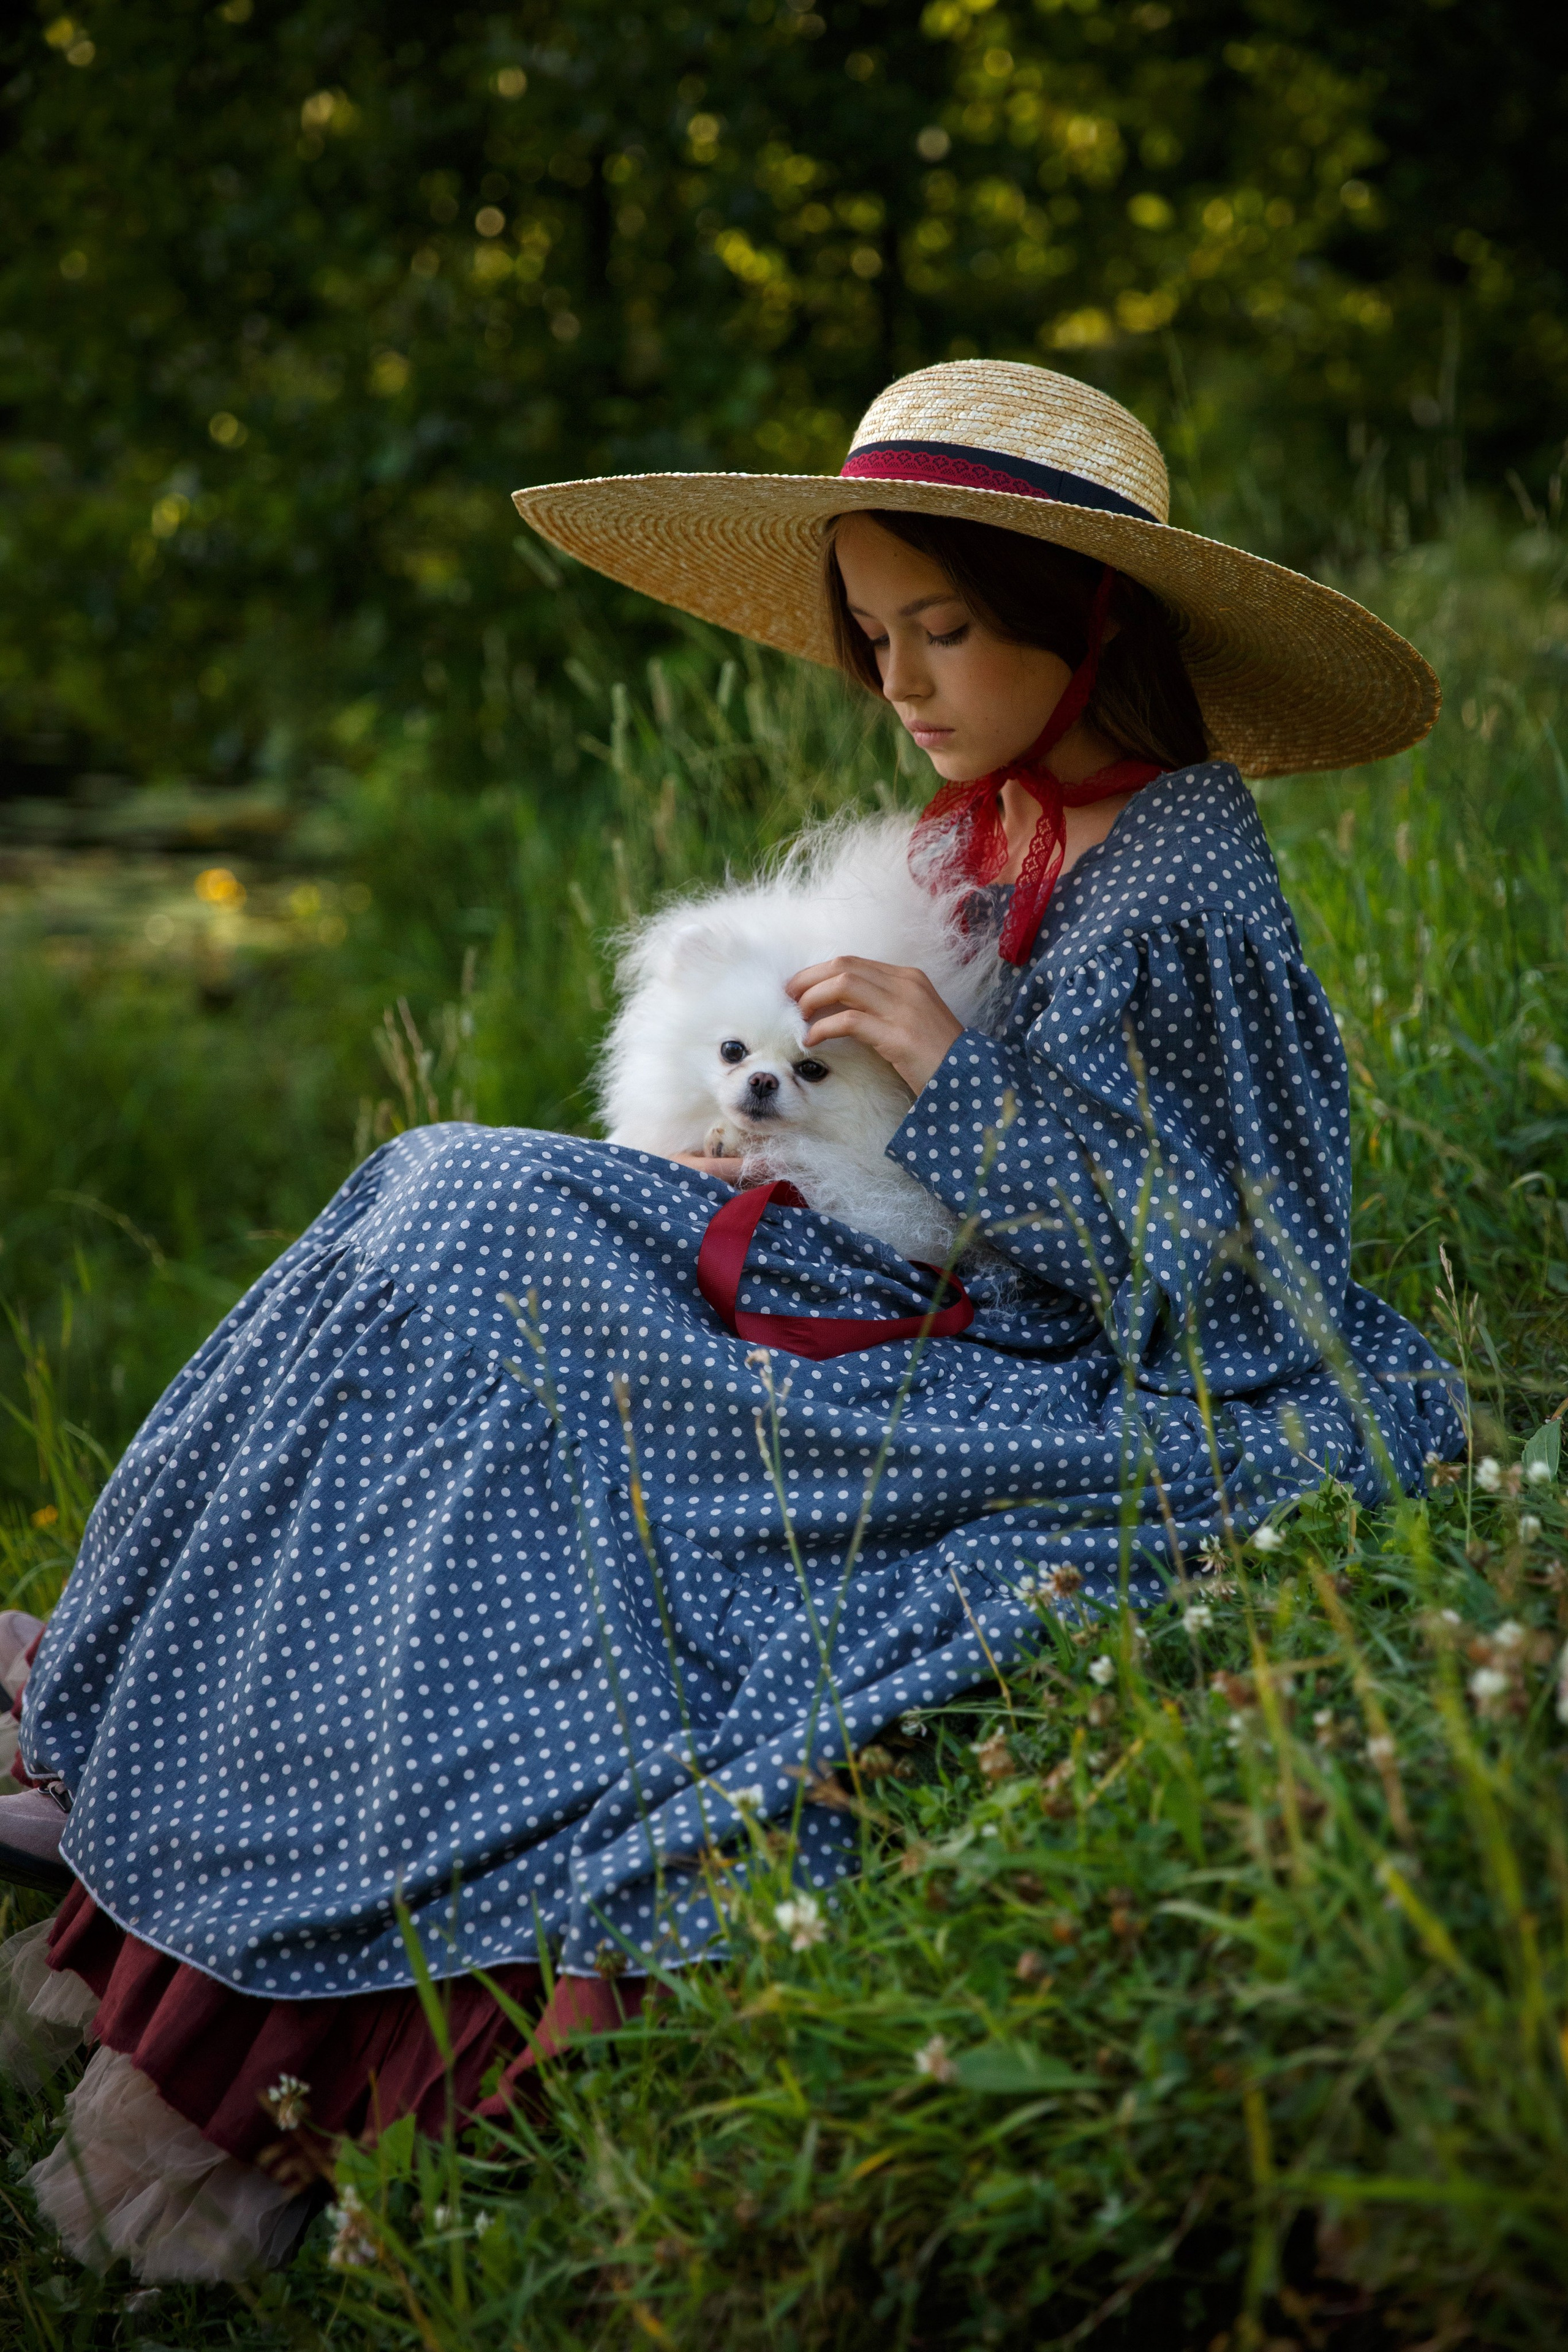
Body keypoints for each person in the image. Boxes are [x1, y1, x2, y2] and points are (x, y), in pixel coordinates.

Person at [0, 360, 1463, 2279]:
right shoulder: (1014, 818)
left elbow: (1230, 1258)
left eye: (946, 628)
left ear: (1089, 620)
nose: (901, 680)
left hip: (1069, 1385)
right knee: (434, 1197)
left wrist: (945, 1073)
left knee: (480, 1238)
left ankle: (280, 1955)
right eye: (874, 634)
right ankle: (175, 1742)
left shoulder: (1181, 870)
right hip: (909, 1278)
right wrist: (776, 1157)